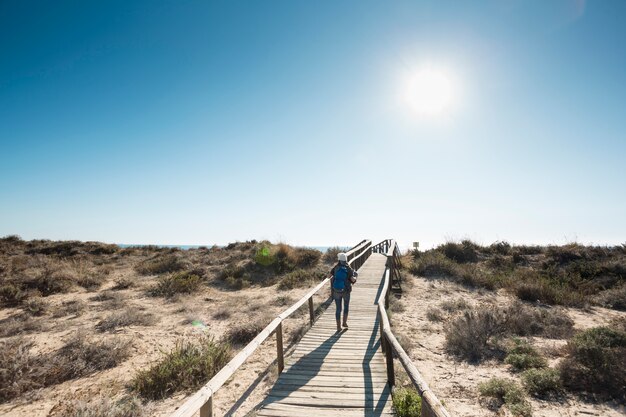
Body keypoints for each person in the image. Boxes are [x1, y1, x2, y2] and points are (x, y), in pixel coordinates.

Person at [330, 252, 358, 332]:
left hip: (336, 291)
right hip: (346, 291)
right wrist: (355, 276)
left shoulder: (335, 267)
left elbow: (328, 276)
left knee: (338, 309)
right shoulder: (348, 268)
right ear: (345, 260)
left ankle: (338, 327)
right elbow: (353, 280)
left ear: (339, 260)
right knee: (346, 307)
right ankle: (344, 323)